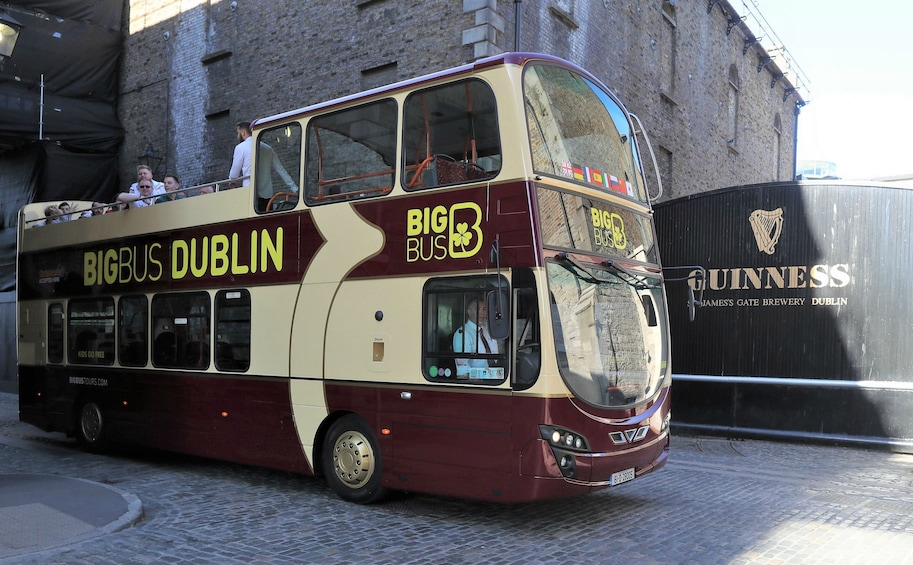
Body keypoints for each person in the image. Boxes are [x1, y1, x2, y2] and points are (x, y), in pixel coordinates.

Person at [452, 296, 503, 379]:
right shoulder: (462, 334)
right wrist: (487, 375)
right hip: (479, 382)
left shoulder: (487, 331)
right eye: (478, 309)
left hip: (496, 378)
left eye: (484, 309)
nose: (482, 313)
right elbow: (463, 372)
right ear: (469, 312)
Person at [229, 121, 253, 187]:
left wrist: (232, 181)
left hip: (249, 188)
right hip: (267, 191)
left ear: (243, 132)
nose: (237, 136)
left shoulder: (240, 147)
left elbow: (234, 174)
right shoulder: (265, 146)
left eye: (238, 133)